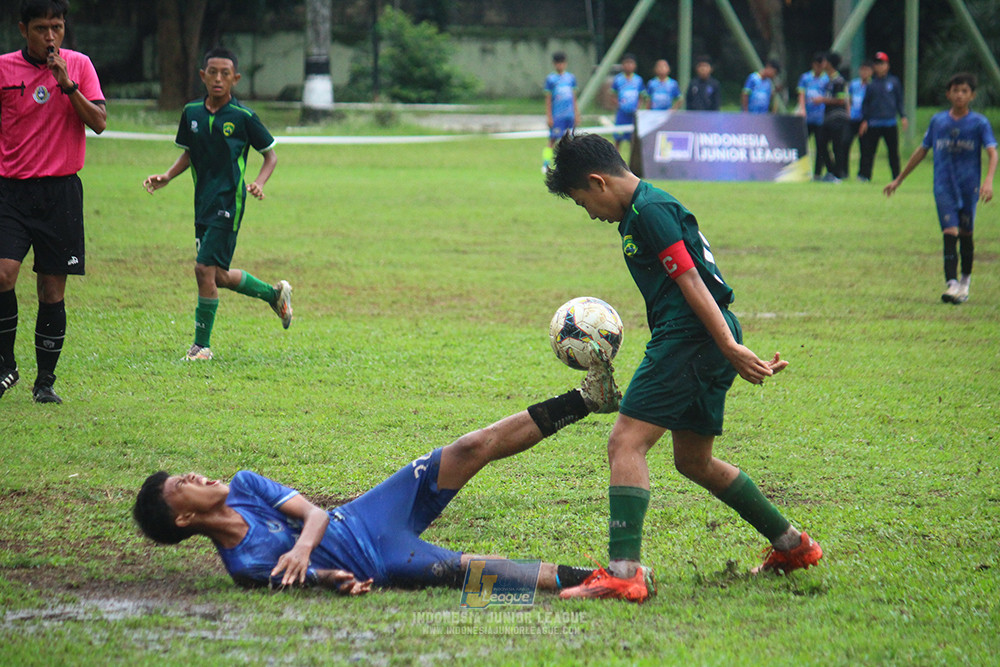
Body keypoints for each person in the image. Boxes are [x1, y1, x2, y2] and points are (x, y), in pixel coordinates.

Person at [545, 133, 823, 601]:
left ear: (598, 181)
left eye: (582, 201)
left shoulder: (650, 212)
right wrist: (726, 343)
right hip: (703, 337)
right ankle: (793, 545)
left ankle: (624, 573)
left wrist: (729, 346)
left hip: (691, 335)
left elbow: (690, 279)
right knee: (693, 461)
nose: (589, 213)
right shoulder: (644, 208)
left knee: (625, 441)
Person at [133, 351, 622, 594]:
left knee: (470, 446)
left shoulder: (244, 484)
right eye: (183, 486)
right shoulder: (243, 568)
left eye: (187, 474)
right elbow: (311, 578)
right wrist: (335, 580)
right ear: (182, 520)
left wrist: (303, 548)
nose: (196, 477)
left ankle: (586, 399)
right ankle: (593, 581)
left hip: (363, 516)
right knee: (469, 570)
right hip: (382, 561)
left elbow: (316, 517)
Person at [143, 47, 291, 362]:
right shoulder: (191, 113)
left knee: (201, 269)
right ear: (203, 76)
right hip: (203, 202)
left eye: (226, 73)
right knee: (217, 276)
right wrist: (167, 176)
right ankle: (273, 294)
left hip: (230, 201)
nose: (219, 79)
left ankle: (202, 346)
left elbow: (270, 155)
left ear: (236, 79)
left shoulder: (243, 117)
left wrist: (259, 182)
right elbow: (189, 153)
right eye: (213, 72)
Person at [0, 0, 107, 404]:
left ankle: (45, 382)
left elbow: (98, 123)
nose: (50, 37)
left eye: (57, 28)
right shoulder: (4, 68)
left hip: (60, 192)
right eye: (42, 28)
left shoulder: (78, 65)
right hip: (11, 190)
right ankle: (5, 365)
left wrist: (68, 85)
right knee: (3, 274)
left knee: (51, 289)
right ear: (23, 29)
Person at [883, 73, 997, 305]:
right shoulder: (938, 122)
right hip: (943, 185)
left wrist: (988, 181)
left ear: (972, 95)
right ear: (948, 94)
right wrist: (899, 179)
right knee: (949, 232)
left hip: (969, 186)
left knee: (966, 233)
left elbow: (992, 152)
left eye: (964, 91)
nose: (959, 95)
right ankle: (952, 283)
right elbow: (922, 150)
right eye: (955, 90)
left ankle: (965, 280)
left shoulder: (979, 123)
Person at [858, 51, 907, 182]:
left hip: (890, 123)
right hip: (874, 123)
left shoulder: (894, 82)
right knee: (868, 152)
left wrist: (903, 116)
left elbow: (899, 101)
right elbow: (866, 104)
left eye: (882, 64)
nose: (879, 66)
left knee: (893, 152)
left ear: (887, 65)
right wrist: (864, 120)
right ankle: (864, 175)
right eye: (877, 64)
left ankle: (897, 177)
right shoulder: (871, 84)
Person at [815, 52, 850, 181]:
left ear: (829, 64)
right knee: (821, 144)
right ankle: (831, 171)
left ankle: (838, 175)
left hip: (838, 118)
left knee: (837, 146)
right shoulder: (828, 80)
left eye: (824, 61)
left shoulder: (839, 80)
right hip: (828, 118)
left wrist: (822, 100)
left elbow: (841, 100)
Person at [543, 52, 579, 173]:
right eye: (558, 63)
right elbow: (548, 99)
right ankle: (546, 163)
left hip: (569, 115)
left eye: (562, 63)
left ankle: (569, 164)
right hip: (557, 115)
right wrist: (549, 116)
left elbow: (574, 97)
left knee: (571, 140)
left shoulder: (570, 78)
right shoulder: (551, 79)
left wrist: (577, 114)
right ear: (554, 64)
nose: (560, 65)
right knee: (553, 139)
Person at [796, 52, 830, 180]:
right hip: (808, 116)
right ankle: (799, 171)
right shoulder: (805, 78)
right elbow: (801, 94)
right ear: (814, 65)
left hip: (821, 118)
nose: (820, 69)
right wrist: (802, 109)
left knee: (820, 145)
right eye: (818, 66)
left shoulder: (826, 79)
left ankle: (817, 173)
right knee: (802, 143)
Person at [611, 54, 643, 154]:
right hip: (621, 113)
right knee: (618, 138)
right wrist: (619, 104)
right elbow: (613, 95)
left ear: (635, 65)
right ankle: (616, 160)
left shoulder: (638, 80)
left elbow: (642, 96)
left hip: (633, 114)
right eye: (626, 63)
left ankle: (632, 162)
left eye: (631, 63)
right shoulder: (618, 79)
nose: (628, 66)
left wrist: (638, 107)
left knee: (632, 139)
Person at [848, 61, 873, 179]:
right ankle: (843, 172)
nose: (864, 73)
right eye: (862, 70)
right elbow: (848, 99)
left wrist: (867, 120)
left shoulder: (872, 86)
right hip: (853, 118)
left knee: (866, 147)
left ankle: (864, 174)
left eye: (867, 70)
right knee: (845, 143)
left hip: (866, 120)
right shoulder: (854, 85)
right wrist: (848, 112)